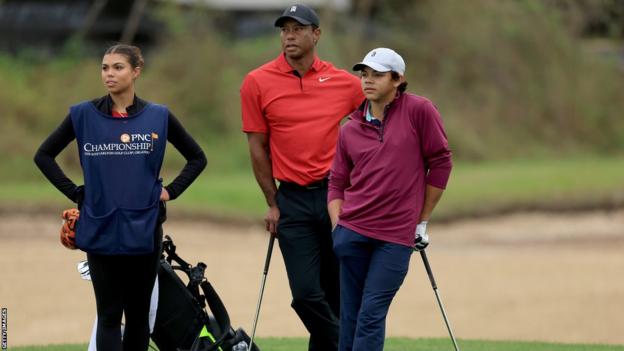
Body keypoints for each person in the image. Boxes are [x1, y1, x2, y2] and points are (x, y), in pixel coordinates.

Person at [34, 44, 207, 351]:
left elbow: (197, 157)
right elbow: (44, 155)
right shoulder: (83, 115)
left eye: (117, 67)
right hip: (100, 227)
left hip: (145, 229)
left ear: (136, 71)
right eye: (105, 68)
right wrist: (76, 193)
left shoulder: (158, 116)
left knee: (139, 318)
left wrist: (171, 191)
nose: (109, 74)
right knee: (109, 316)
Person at [240, 4, 364, 351]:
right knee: (307, 295)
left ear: (316, 35)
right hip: (290, 199)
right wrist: (271, 202)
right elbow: (257, 147)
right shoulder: (257, 81)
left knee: (336, 293)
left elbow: (374, 126)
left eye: (298, 28)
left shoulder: (345, 83)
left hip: (336, 198)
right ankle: (347, 344)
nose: (289, 35)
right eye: (284, 29)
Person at [327, 48, 453, 351]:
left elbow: (441, 162)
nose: (368, 81)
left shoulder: (419, 111)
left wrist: (421, 221)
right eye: (364, 74)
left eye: (377, 75)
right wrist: (337, 227)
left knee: (371, 313)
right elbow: (336, 183)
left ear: (398, 80)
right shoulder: (350, 129)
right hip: (352, 233)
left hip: (395, 237)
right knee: (351, 316)